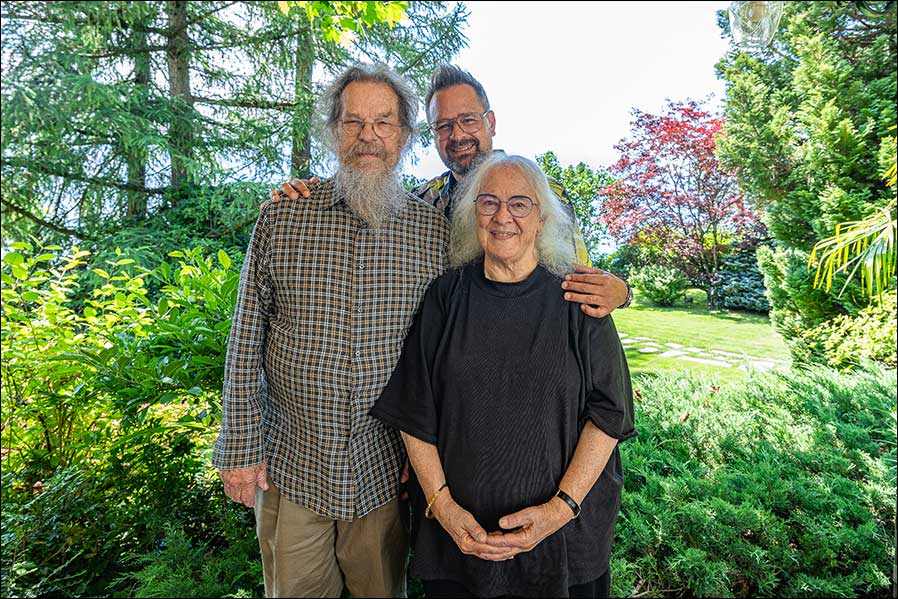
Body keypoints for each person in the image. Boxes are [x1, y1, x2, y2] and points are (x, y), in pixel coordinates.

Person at [212, 63, 450, 598]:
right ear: (333, 130)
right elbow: (245, 337)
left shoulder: (433, 233)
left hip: (383, 469)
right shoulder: (284, 217)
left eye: (384, 122)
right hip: (292, 466)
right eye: (353, 121)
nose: (368, 135)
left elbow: (441, 357)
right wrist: (240, 448)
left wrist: (431, 455)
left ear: (405, 136)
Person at [370, 153, 636, 598]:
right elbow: (413, 409)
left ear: (541, 219)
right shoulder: (446, 295)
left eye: (519, 204)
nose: (502, 217)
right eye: (488, 203)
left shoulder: (578, 296)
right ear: (473, 214)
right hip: (460, 541)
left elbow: (610, 413)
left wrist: (560, 508)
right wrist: (444, 507)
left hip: (563, 542)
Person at [273, 64, 633, 318]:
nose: (458, 135)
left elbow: (583, 285)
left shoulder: (543, 195)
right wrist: (311, 190)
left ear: (490, 122)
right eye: (443, 126)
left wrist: (624, 294)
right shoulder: (423, 200)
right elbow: (365, 200)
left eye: (468, 120)